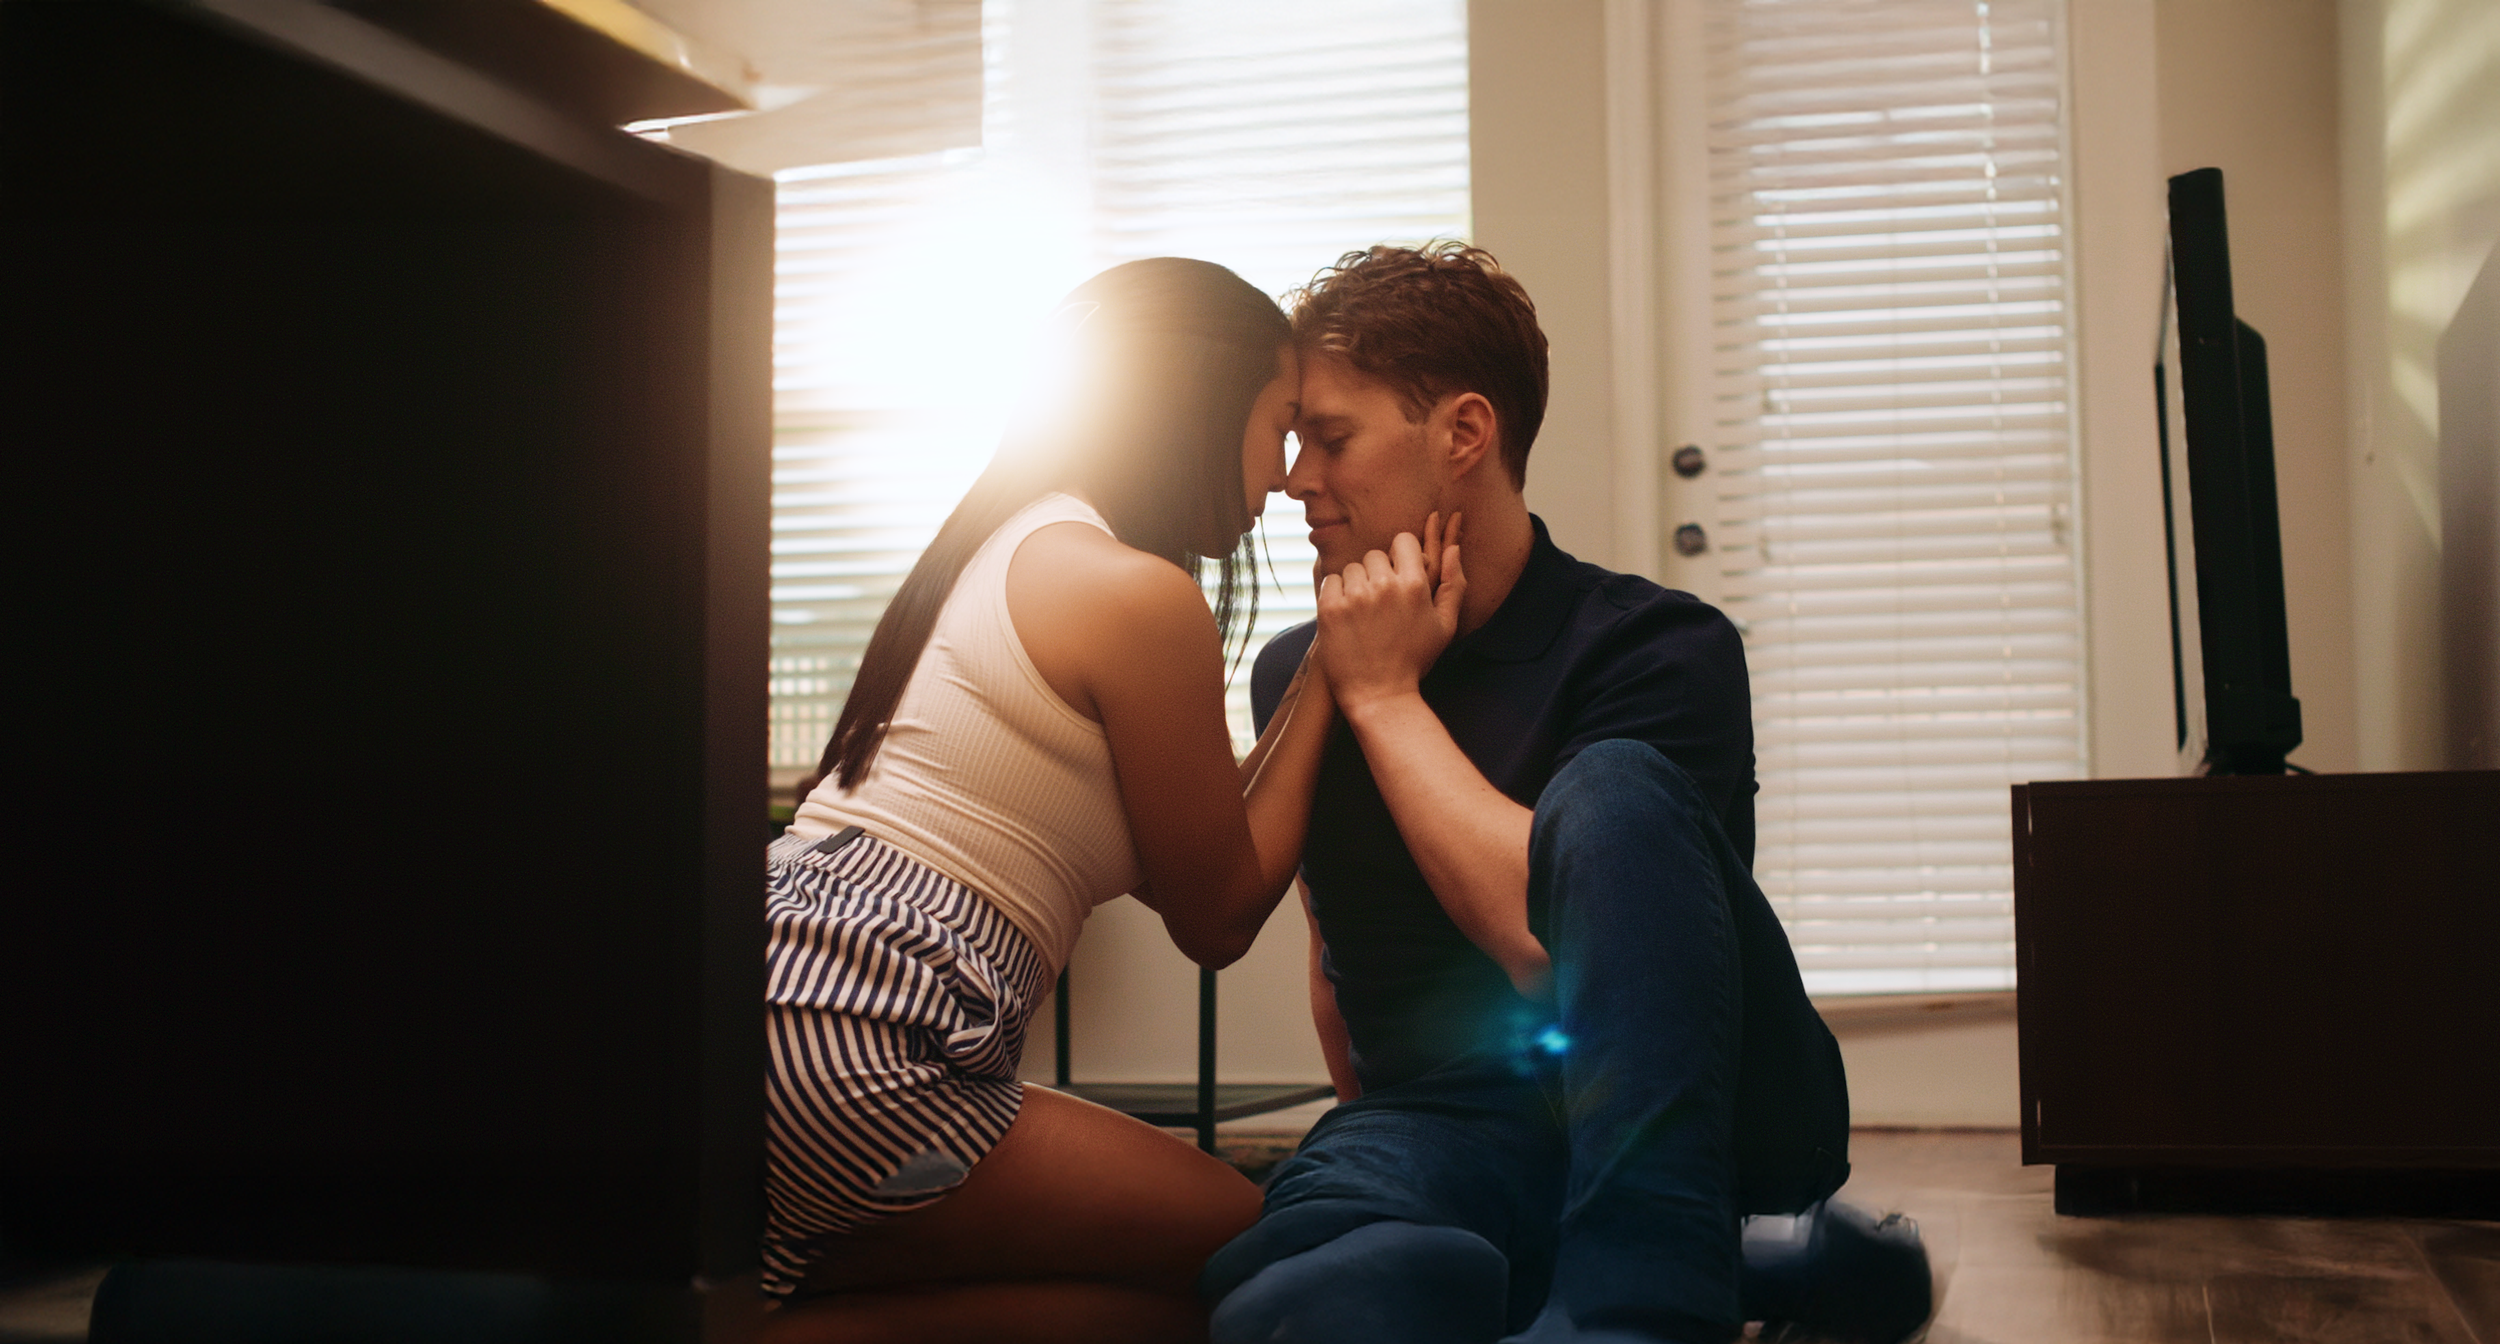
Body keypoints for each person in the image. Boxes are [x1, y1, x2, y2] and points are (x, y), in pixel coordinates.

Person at [1200, 244, 1931, 1344]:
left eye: (1332, 438)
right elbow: (1334, 953)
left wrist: (1388, 701)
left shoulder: (1659, 645)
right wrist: (1386, 1178)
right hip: (1448, 1121)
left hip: (1684, 1108)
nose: (1298, 478)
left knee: (1612, 788)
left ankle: (1640, 1307)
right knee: (1285, 1297)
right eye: (1295, 438)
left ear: (1463, 435)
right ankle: (1715, 1272)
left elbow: (1545, 949)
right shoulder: (1300, 670)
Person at [761, 257, 1373, 1344]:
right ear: (1197, 402)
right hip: (860, 1032)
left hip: (763, 988)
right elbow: (1217, 914)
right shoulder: (1133, 593)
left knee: (1161, 1305)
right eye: (1279, 424)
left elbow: (1189, 842)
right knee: (1273, 1248)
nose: (1285, 476)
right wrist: (1342, 660)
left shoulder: (1001, 547)